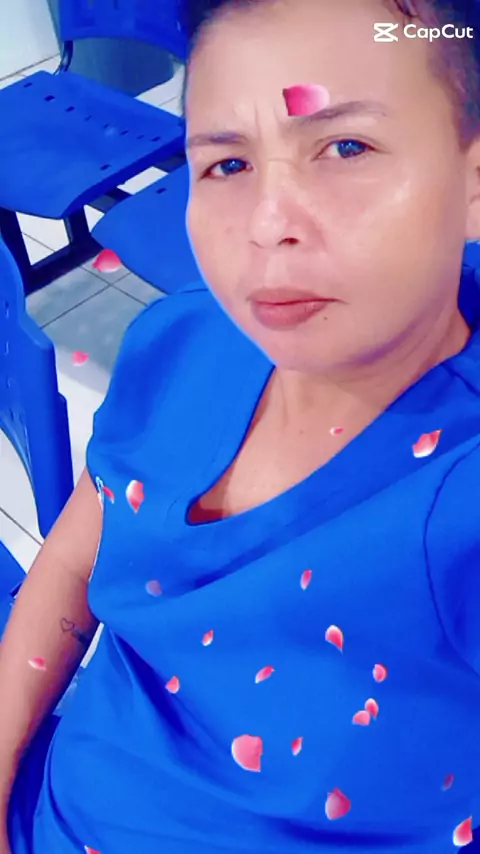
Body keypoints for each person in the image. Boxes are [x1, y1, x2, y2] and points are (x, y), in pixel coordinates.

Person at [2, 0, 480, 850]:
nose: (268, 225)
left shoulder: (454, 507)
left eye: (346, 148)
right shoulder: (179, 341)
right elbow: (79, 555)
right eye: (227, 164)